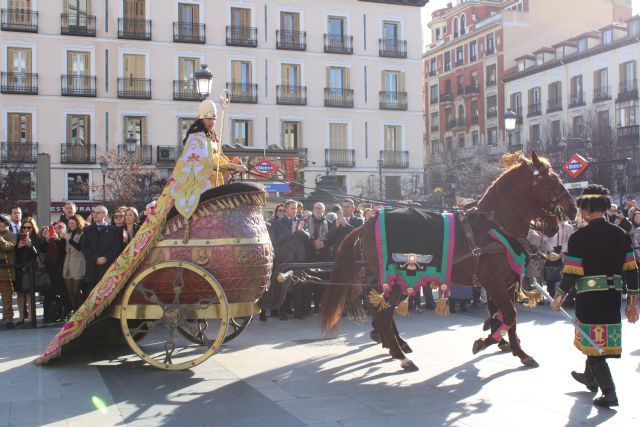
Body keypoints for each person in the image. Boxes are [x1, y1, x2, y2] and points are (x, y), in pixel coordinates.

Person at [551, 184, 639, 408]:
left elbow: (571, 272)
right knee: (599, 340)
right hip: (612, 298)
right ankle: (589, 378)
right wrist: (632, 304)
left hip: (589, 299)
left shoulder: (579, 237)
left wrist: (559, 296)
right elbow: (631, 270)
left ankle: (609, 392)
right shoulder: (621, 234)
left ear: (586, 209)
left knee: (594, 344)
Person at [272, 199, 309, 320]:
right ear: (287, 209)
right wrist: (291, 232)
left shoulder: (301, 221)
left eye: (296, 208)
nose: (295, 210)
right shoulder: (279, 223)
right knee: (284, 285)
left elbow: (308, 238)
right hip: (285, 258)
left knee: (299, 284)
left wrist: (300, 231)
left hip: (298, 258)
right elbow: (277, 240)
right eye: (293, 208)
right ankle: (283, 311)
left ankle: (298, 311)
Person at [81, 205, 122, 295]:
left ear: (105, 215)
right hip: (92, 268)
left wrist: (106, 258)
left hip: (107, 267)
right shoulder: (87, 230)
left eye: (98, 213)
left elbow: (116, 247)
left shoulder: (113, 229)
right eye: (94, 213)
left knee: (106, 295)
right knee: (91, 295)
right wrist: (95, 258)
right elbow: (84, 247)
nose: (95, 215)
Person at [14, 218, 42, 327]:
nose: (26, 229)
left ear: (33, 228)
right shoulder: (18, 238)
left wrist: (30, 245)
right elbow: (14, 254)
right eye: (24, 227)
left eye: (28, 227)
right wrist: (18, 247)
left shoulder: (36, 239)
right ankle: (21, 318)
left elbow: (37, 254)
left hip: (31, 269)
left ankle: (31, 318)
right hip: (19, 268)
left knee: (30, 294)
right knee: (20, 293)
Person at [62, 214, 86, 315]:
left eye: (73, 223)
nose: (70, 225)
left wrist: (68, 239)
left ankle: (83, 312)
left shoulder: (82, 234)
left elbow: (80, 247)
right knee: (70, 292)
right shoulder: (68, 233)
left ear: (78, 223)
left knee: (76, 291)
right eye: (69, 223)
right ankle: (76, 312)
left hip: (78, 263)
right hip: (67, 264)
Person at [0, 214, 17, 329]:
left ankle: (8, 318)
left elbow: (8, 247)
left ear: (5, 223)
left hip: (5, 272)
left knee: (7, 298)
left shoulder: (12, 235)